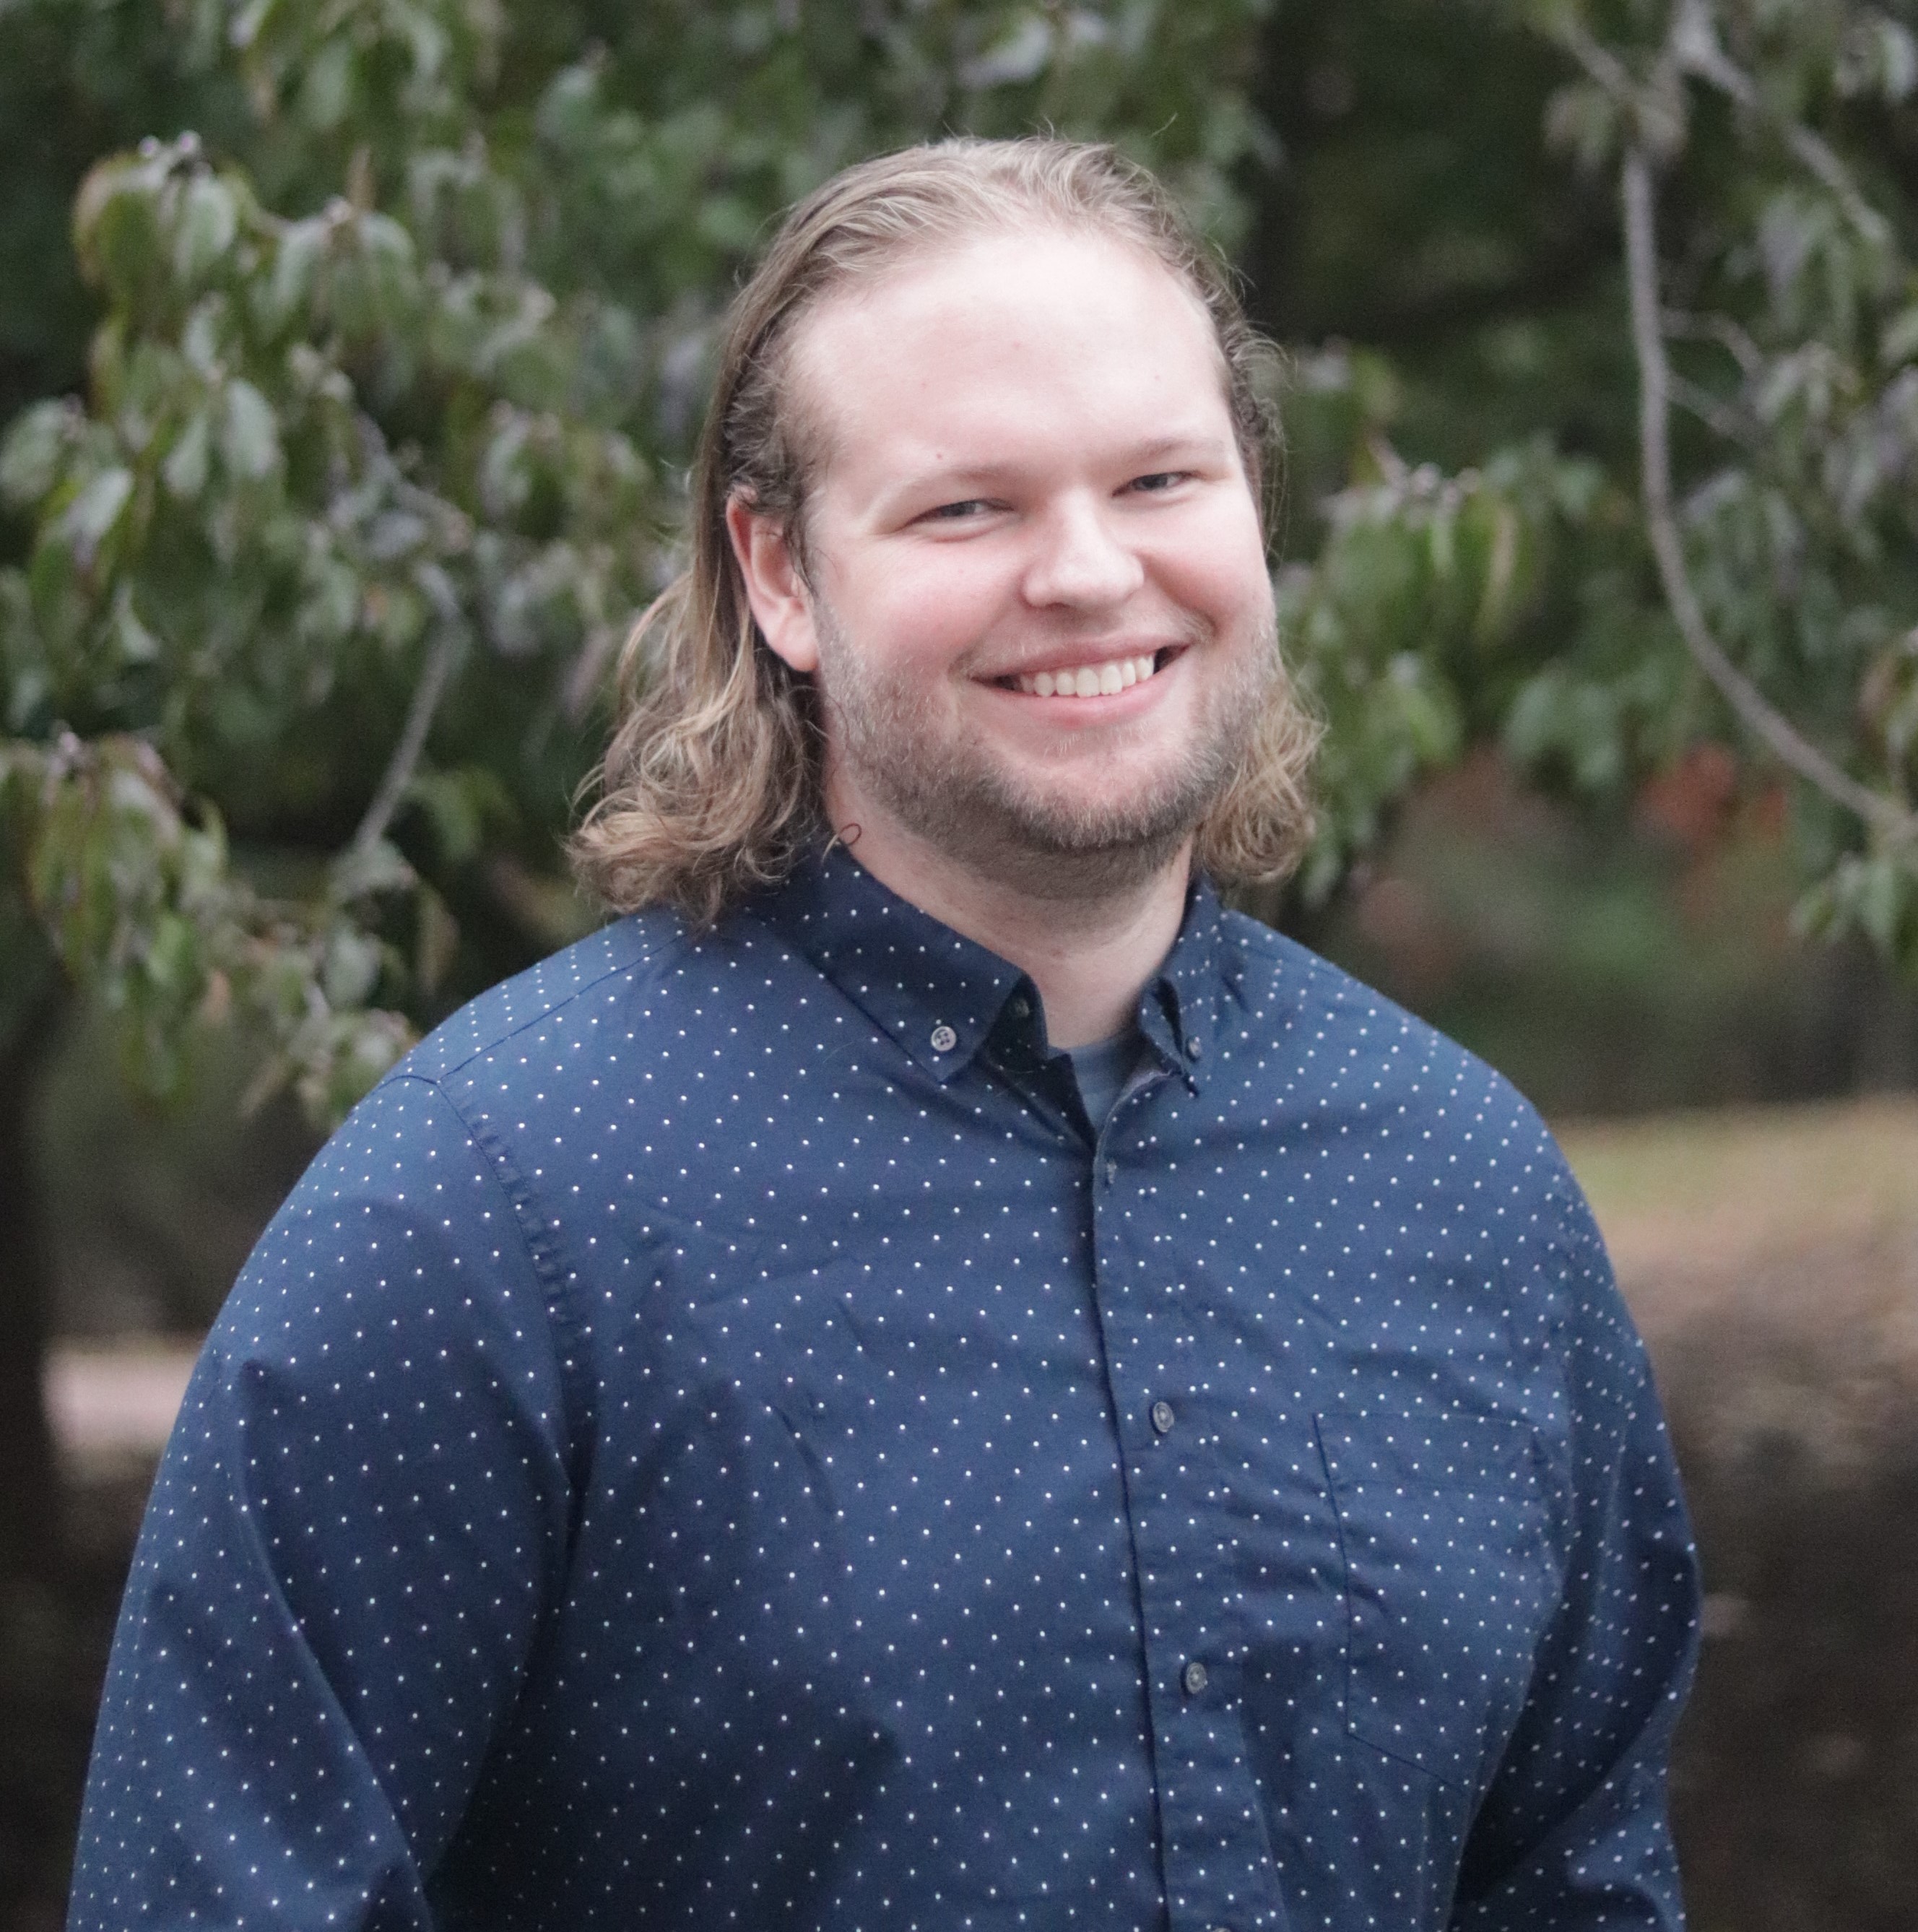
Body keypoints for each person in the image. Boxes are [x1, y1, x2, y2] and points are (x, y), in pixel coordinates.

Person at [69, 138, 1698, 1932]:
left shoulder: (1462, 1186)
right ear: (776, 574)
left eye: (1158, 476)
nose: (1086, 573)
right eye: (965, 508)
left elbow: (1577, 1875)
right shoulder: (483, 1218)